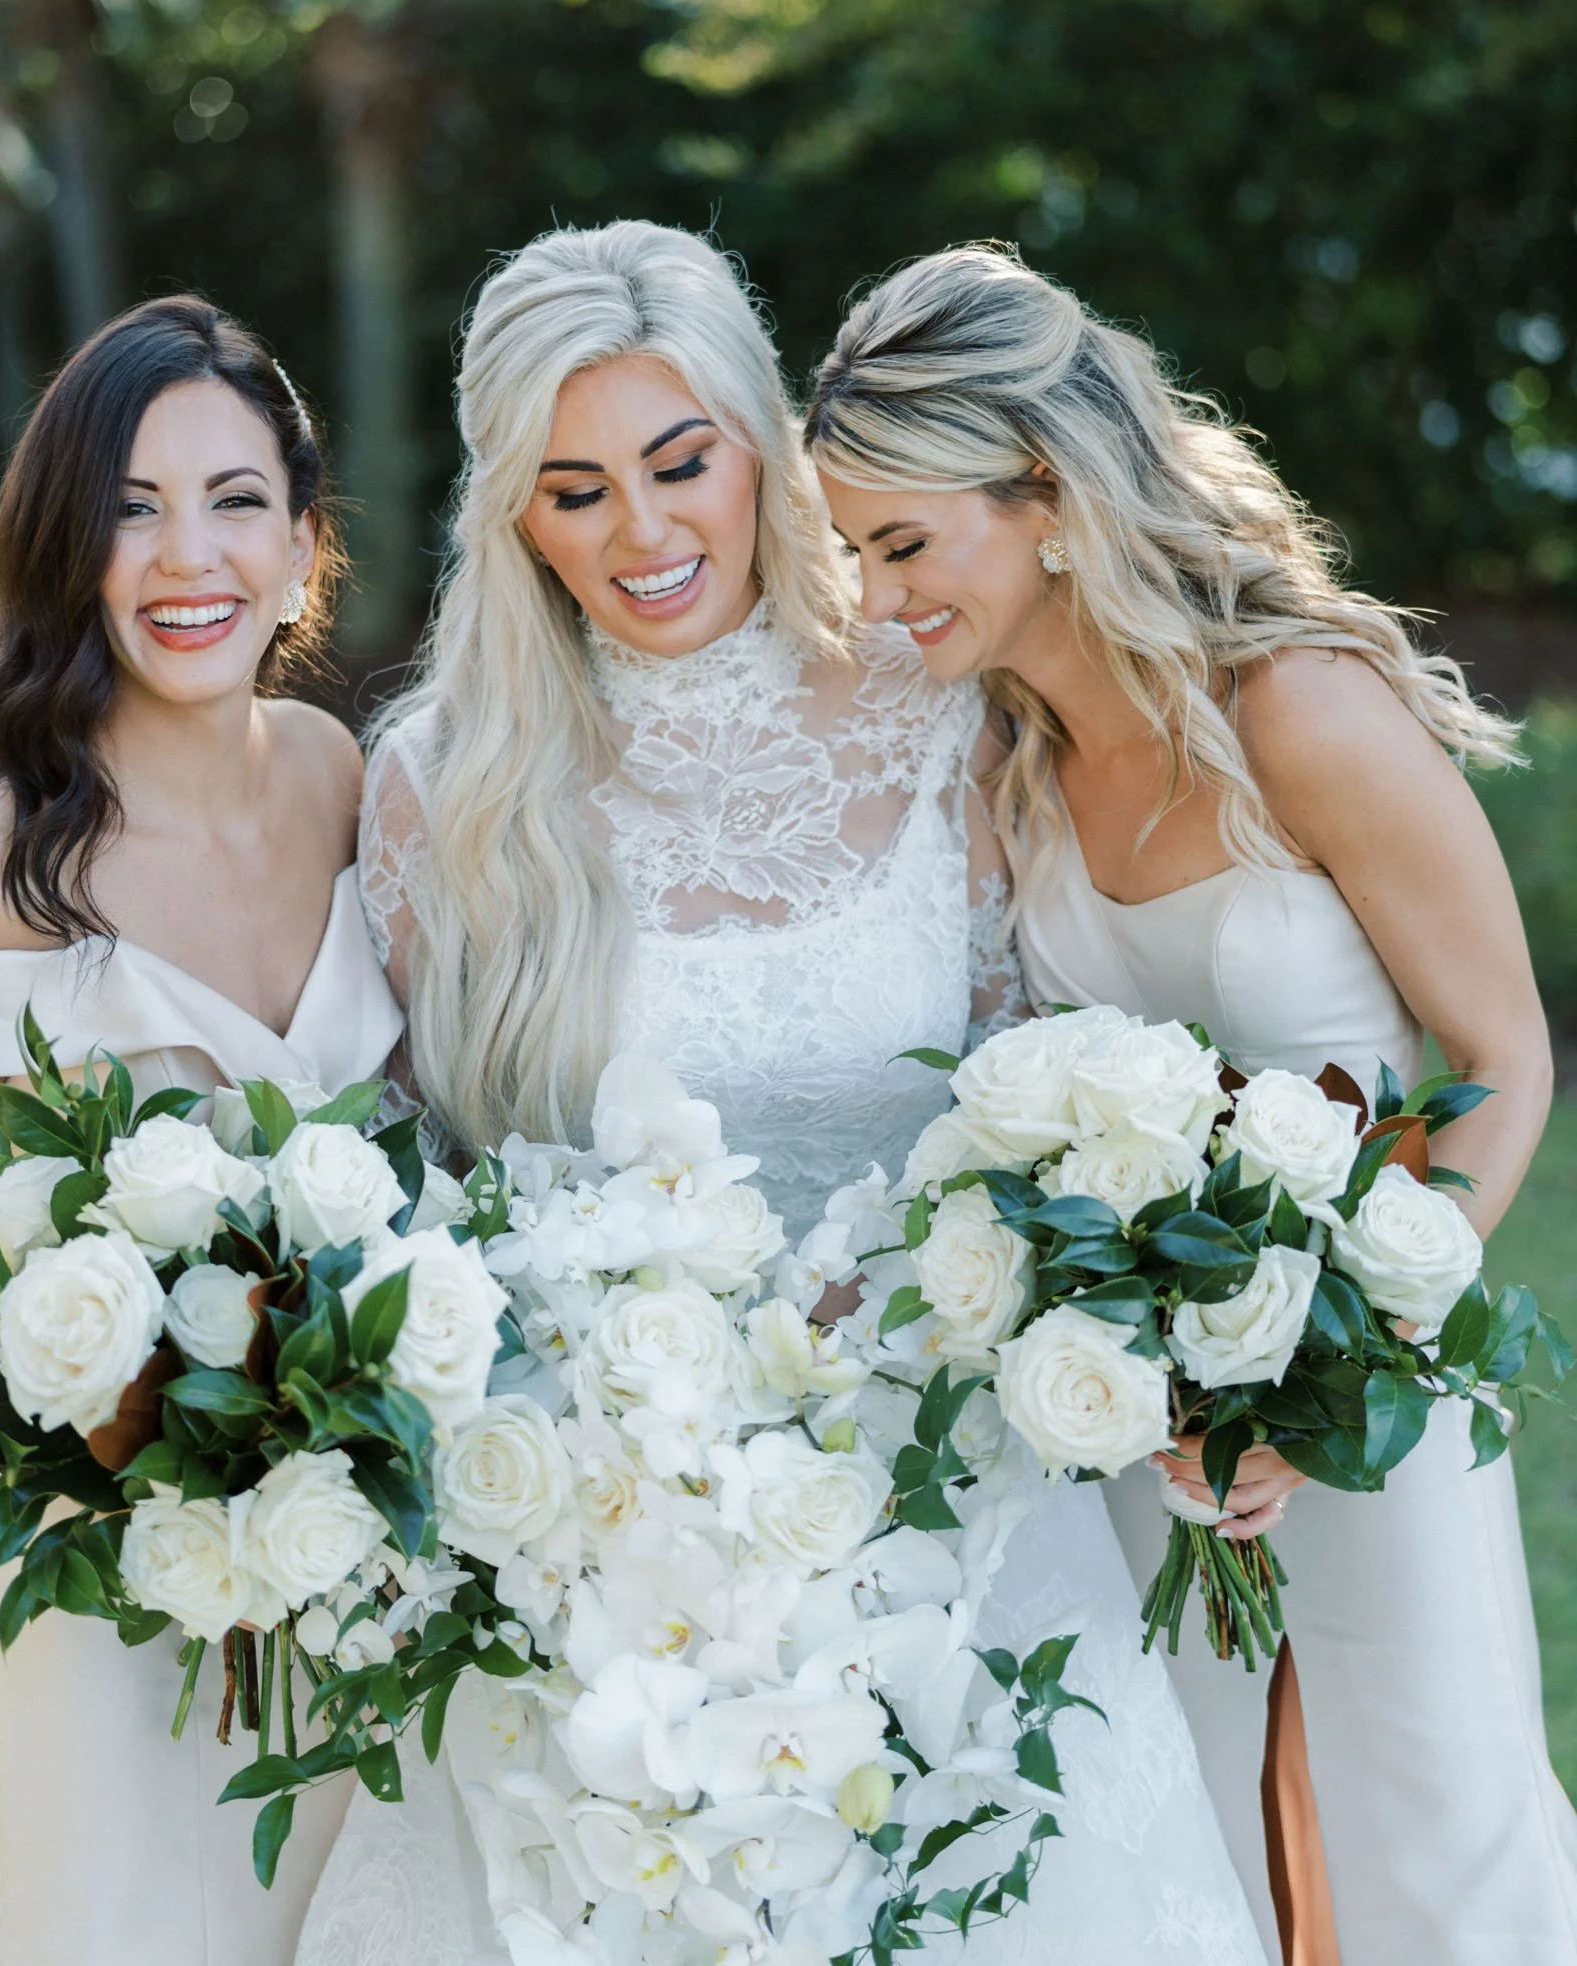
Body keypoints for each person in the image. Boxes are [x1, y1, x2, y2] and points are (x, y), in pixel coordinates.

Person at [295, 219, 1265, 1966]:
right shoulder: (443, 783)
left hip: (953, 1510)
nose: (645, 533)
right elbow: (416, 1193)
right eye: (575, 488)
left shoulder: (941, 709)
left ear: (764, 445)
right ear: (512, 509)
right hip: (596, 1550)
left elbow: (1030, 1097)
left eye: (682, 463)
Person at [807, 238, 1577, 1966]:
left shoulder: (1295, 706)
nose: (875, 596)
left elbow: (1505, 1058)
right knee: (1206, 1863)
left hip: (1371, 1406)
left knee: (1431, 1847)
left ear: (1051, 498)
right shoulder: (1007, 768)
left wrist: (1332, 1363)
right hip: (1147, 1432)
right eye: (855, 550)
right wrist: (1143, 1368)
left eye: (906, 543)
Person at [0, 296, 403, 1966]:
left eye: (229, 500)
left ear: (301, 542)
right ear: (71, 554)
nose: (183, 554)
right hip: (105, 1597)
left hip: (353, 1559)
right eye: (130, 509)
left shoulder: (345, 780)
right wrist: (95, 1455)